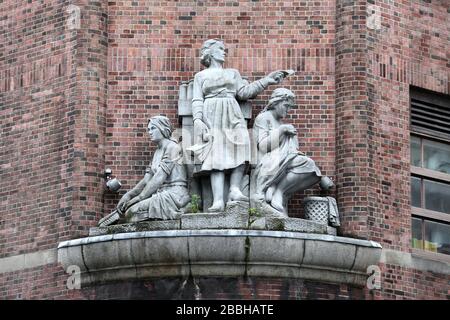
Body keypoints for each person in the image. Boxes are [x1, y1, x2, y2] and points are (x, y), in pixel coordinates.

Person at [190, 38, 289, 212]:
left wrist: (267, 80)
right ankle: (218, 200)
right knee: (216, 155)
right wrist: (198, 120)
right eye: (220, 48)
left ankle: (235, 190)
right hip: (212, 112)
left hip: (232, 111)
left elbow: (244, 93)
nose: (224, 51)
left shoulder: (233, 73)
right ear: (210, 52)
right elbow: (197, 100)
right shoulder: (200, 76)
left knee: (242, 146)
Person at [250, 88, 334, 216]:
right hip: (268, 160)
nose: (287, 110)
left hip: (284, 157)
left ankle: (279, 191)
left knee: (311, 169)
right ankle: (272, 188)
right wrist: (282, 130)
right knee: (307, 164)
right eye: (286, 106)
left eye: (289, 107)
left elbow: (292, 148)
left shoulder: (280, 122)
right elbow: (262, 146)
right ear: (276, 102)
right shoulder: (263, 118)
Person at [98, 116, 190, 226]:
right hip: (162, 194)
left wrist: (139, 198)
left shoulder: (172, 147)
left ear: (162, 129)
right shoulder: (157, 152)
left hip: (175, 194)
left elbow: (159, 178)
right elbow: (146, 180)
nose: (150, 132)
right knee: (130, 211)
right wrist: (128, 195)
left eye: (153, 128)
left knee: (131, 212)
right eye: (149, 129)